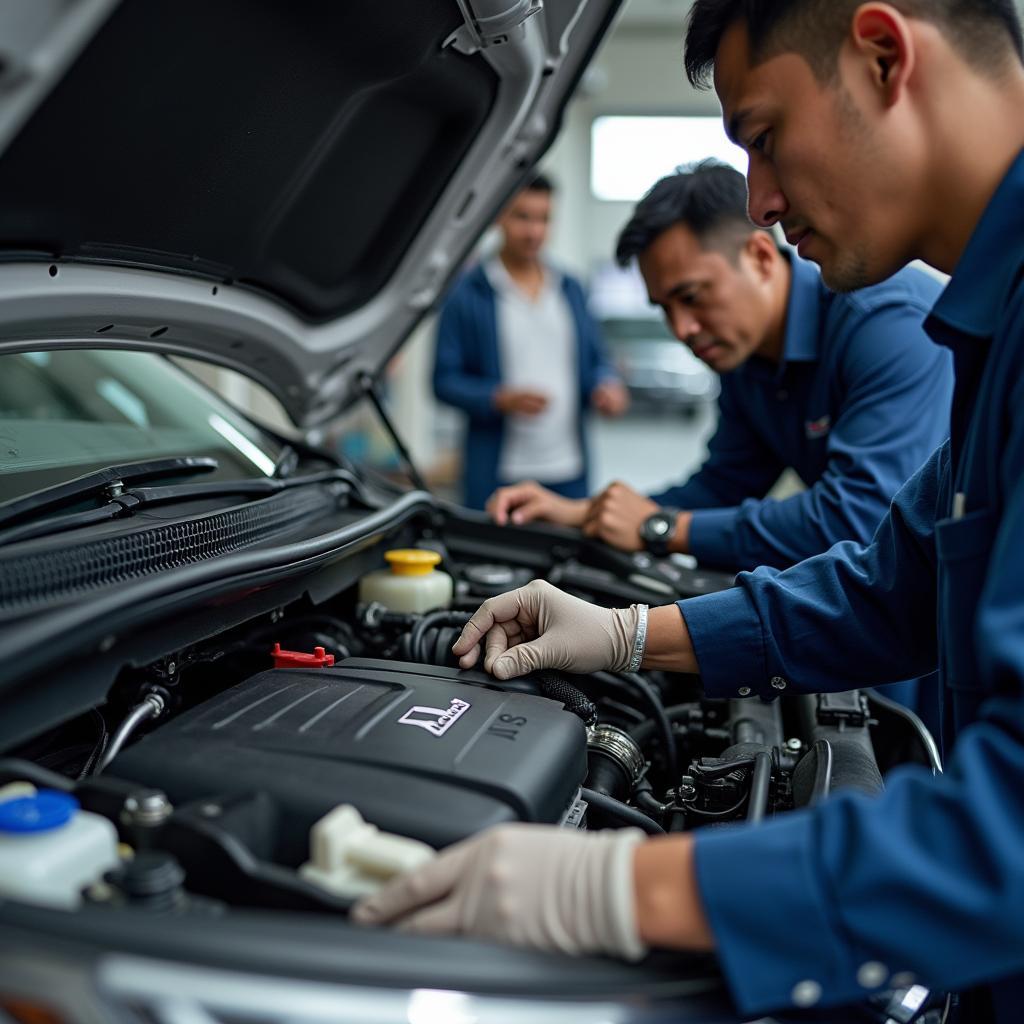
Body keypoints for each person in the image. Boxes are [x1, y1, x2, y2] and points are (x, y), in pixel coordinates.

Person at [354, 1, 1024, 1021]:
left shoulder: (927, 324)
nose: (758, 200)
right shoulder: (990, 332)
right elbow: (887, 586)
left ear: (884, 55)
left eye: (762, 136)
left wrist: (621, 888)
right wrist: (628, 635)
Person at [489, 162, 952, 572]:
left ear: (760, 257)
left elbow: (862, 516)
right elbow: (723, 487)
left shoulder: (887, 321)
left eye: (691, 296)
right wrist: (587, 512)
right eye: (665, 309)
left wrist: (660, 527)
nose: (683, 328)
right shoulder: (744, 355)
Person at [432, 172, 628, 510]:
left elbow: (598, 360)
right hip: (497, 472)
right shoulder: (467, 294)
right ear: (498, 216)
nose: (534, 231)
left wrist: (607, 384)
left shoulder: (571, 288)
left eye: (544, 219)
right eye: (523, 217)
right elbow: (442, 381)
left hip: (569, 470)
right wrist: (498, 398)